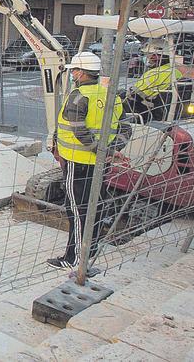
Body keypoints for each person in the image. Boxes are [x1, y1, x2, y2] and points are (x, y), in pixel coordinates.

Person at [48, 51, 124, 272]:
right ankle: (90, 249)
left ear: (81, 73)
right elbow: (124, 126)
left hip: (77, 161)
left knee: (76, 209)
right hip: (100, 165)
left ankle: (74, 258)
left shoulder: (78, 96)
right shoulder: (111, 95)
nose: (72, 74)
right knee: (94, 205)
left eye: (74, 71)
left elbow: (79, 130)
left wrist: (98, 150)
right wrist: (112, 149)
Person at [124, 41, 184, 122]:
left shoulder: (153, 74)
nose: (149, 58)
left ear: (156, 56)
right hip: (168, 112)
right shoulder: (177, 72)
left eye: (150, 55)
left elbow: (133, 95)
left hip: (148, 114)